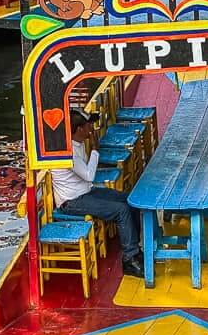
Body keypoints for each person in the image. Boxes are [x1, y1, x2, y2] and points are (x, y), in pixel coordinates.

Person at [52, 110, 144, 278]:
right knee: (121, 210)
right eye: (89, 125)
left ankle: (135, 249)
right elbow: (89, 175)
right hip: (72, 201)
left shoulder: (77, 142)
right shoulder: (67, 151)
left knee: (130, 199)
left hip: (87, 191)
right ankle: (129, 259)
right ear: (79, 129)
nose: (92, 128)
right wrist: (95, 149)